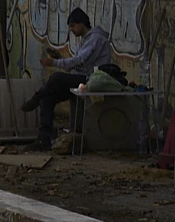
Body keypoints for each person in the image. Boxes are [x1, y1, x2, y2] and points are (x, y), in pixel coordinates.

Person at [21, 8, 115, 149]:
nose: (71, 29)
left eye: (73, 26)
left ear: (82, 24)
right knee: (47, 98)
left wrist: (54, 63)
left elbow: (80, 60)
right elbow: (76, 67)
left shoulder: (96, 39)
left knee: (56, 78)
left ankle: (37, 96)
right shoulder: (84, 41)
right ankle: (43, 139)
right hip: (82, 78)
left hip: (92, 80)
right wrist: (60, 58)